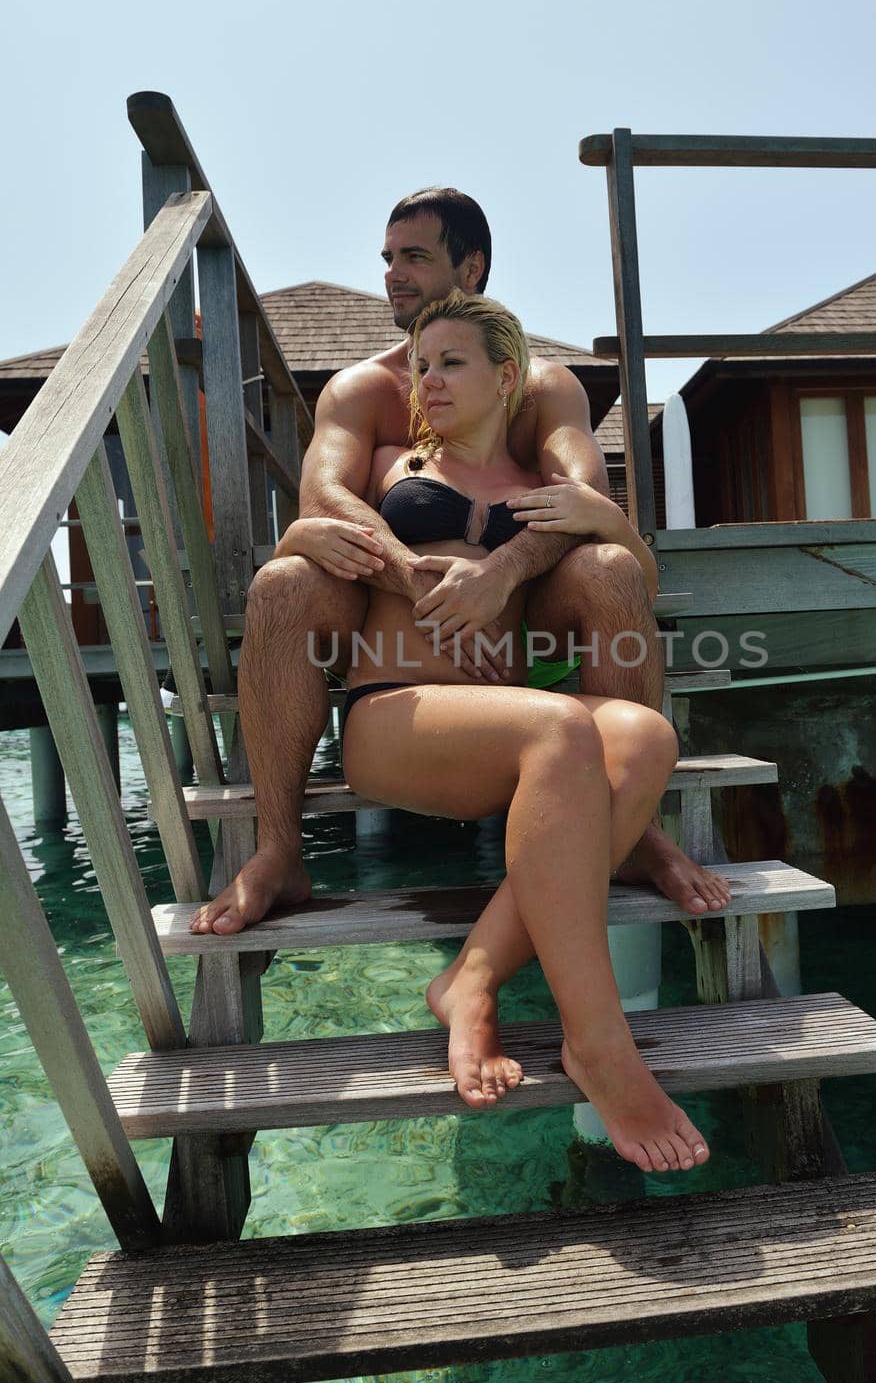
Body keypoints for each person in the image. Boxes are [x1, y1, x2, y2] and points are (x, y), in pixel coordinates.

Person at [190, 186, 731, 938]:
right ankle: (280, 847)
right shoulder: (365, 390)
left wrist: (501, 574)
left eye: (416, 256)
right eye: (387, 258)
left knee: (607, 566)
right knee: (286, 581)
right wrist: (428, 591)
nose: (393, 273)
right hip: (388, 631)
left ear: (471, 267)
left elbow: (581, 498)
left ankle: (633, 831)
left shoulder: (542, 388)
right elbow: (323, 495)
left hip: (525, 619)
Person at [316, 290, 710, 1173]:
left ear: (507, 377)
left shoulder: (539, 490)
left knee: (644, 738)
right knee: (563, 728)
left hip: (505, 717)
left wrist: (606, 524)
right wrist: (374, 553)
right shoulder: (388, 465)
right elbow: (314, 520)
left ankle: (472, 979)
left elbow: (631, 572)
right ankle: (598, 1044)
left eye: (450, 362)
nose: (427, 379)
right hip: (396, 712)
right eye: (420, 365)